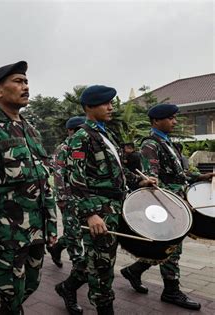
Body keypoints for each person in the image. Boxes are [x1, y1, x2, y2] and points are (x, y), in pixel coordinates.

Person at [0, 61, 58, 315]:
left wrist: (51, 225)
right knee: (7, 298)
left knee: (29, 286)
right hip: (4, 237)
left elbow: (44, 181)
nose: (25, 86)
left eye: (26, 81)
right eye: (18, 81)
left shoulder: (31, 130)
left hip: (34, 232)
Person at [64, 85, 157, 314]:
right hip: (98, 212)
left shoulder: (106, 135)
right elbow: (75, 180)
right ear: (89, 107)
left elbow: (116, 174)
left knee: (98, 261)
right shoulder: (81, 137)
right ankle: (104, 308)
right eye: (106, 103)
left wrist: (139, 183)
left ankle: (67, 287)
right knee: (102, 268)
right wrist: (90, 214)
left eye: (111, 103)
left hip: (115, 206)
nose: (111, 107)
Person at [120, 103, 214, 311]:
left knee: (166, 248)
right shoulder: (150, 145)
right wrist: (174, 200)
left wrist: (201, 177)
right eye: (170, 118)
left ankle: (134, 271)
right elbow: (152, 181)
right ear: (156, 121)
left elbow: (179, 174)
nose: (175, 121)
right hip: (168, 205)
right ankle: (171, 290)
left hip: (177, 203)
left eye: (174, 118)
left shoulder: (167, 143)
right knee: (172, 248)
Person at [48, 116, 88, 314]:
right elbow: (58, 174)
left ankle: (56, 248)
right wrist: (62, 198)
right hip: (70, 200)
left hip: (85, 201)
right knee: (74, 234)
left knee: (75, 232)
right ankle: (75, 273)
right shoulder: (63, 149)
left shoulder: (82, 147)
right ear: (71, 131)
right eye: (78, 129)